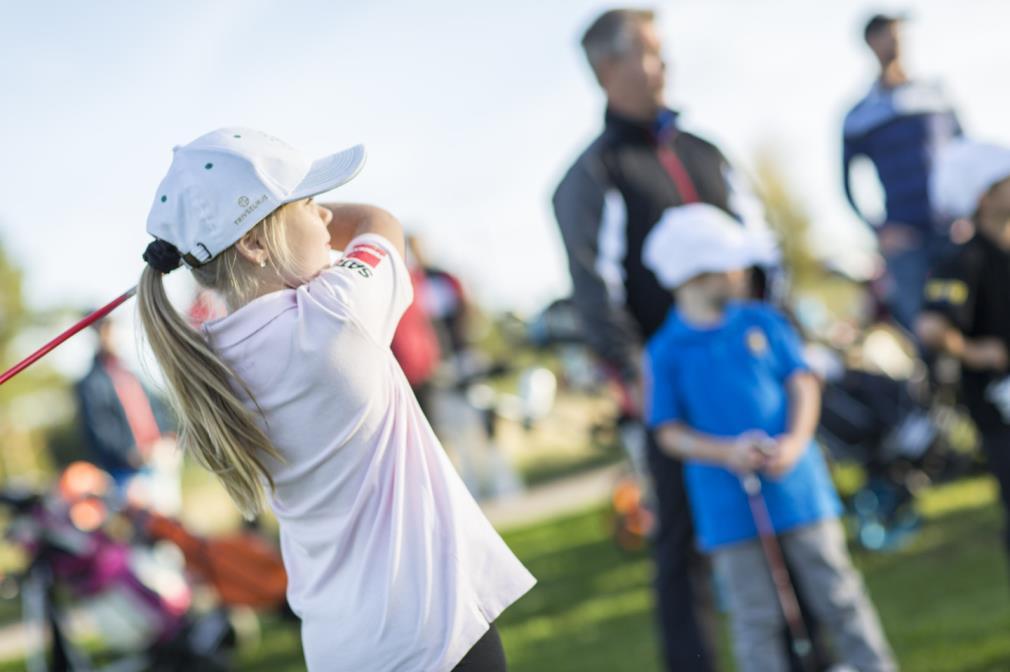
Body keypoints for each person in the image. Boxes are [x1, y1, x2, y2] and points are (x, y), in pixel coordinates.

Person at [136, 127, 535, 671]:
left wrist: (238, 229)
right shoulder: (334, 313)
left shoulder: (207, 364)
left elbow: (312, 237)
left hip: (339, 647)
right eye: (308, 203)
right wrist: (249, 223)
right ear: (255, 243)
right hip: (433, 637)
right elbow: (377, 222)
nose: (325, 216)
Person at [552, 9, 778, 670]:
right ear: (607, 69)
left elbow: (763, 246)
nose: (664, 64)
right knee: (683, 547)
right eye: (649, 52)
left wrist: (769, 337)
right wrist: (643, 381)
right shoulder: (591, 177)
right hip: (668, 392)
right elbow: (597, 296)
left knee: (780, 525)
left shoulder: (704, 150)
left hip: (749, 375)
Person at [643, 203, 896, 672]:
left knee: (840, 596)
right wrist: (726, 452)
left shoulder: (763, 321)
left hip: (799, 488)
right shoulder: (665, 351)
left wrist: (796, 442)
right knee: (754, 616)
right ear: (698, 272)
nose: (742, 272)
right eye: (731, 263)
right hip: (725, 505)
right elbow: (668, 432)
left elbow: (802, 382)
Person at [920, 139, 1010, 569]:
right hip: (1001, 410)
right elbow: (932, 325)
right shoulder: (963, 259)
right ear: (983, 197)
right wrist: (975, 351)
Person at [842, 12, 963, 331]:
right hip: (905, 237)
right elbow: (846, 182)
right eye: (886, 33)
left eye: (898, 33)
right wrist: (878, 229)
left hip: (950, 229)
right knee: (921, 324)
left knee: (967, 312)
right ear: (870, 42)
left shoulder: (936, 95)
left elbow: (966, 154)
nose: (894, 40)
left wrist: (970, 214)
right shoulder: (859, 115)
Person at [75, 316, 181, 514]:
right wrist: (132, 454)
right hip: (127, 475)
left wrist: (168, 437)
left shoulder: (131, 373)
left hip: (159, 465)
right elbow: (100, 431)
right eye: (105, 331)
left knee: (173, 527)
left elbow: (156, 409)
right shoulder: (91, 383)